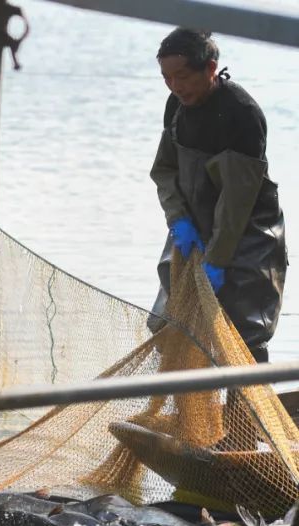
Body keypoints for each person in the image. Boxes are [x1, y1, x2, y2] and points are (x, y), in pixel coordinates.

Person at [149, 28, 286, 363]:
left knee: (243, 337)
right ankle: (187, 414)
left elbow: (237, 201)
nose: (175, 86)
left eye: (182, 76)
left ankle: (246, 416)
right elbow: (165, 171)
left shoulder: (241, 113)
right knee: (169, 328)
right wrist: (178, 219)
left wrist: (218, 260)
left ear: (210, 69)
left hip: (249, 236)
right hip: (191, 231)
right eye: (166, 78)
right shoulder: (177, 106)